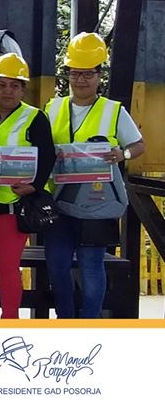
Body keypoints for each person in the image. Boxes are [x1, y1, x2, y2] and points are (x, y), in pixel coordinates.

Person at [44, 33, 145, 318]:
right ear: (68, 74)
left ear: (99, 75)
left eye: (88, 74)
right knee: (57, 265)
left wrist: (122, 155)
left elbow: (138, 145)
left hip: (95, 203)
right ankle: (65, 320)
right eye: (76, 73)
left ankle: (90, 323)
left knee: (91, 265)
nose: (81, 80)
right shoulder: (53, 107)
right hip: (59, 201)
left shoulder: (114, 111)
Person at [0, 53, 55, 319]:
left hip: (15, 203)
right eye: (2, 85)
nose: (8, 91)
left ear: (23, 89)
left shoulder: (35, 117)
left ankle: (9, 320)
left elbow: (48, 156)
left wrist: (34, 186)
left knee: (7, 265)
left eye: (14, 85)